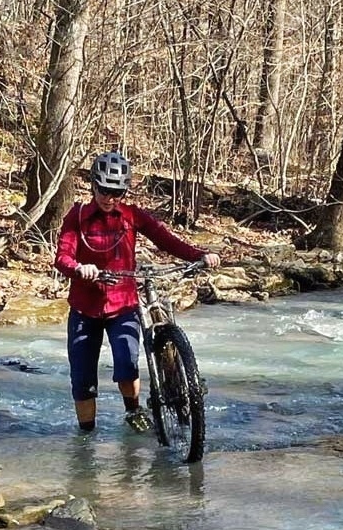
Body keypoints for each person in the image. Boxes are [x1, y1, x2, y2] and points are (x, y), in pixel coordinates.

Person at [54, 151, 220, 433]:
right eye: (104, 191)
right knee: (83, 380)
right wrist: (80, 268)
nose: (110, 198)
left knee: (126, 364)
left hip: (123, 306)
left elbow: (165, 239)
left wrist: (200, 255)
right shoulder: (77, 216)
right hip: (85, 308)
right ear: (93, 186)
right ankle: (85, 438)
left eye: (116, 192)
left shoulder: (131, 216)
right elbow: (62, 257)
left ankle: (133, 411)